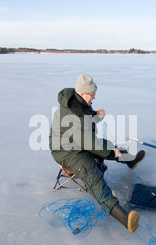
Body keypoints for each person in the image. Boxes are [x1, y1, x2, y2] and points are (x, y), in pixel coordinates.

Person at [49, 74, 145, 233]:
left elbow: (87, 123)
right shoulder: (74, 114)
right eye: (92, 94)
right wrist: (110, 154)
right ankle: (125, 219)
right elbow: (90, 142)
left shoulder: (77, 100)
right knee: (94, 177)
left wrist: (96, 116)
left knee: (107, 144)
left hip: (78, 142)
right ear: (84, 93)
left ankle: (131, 160)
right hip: (67, 152)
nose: (94, 97)